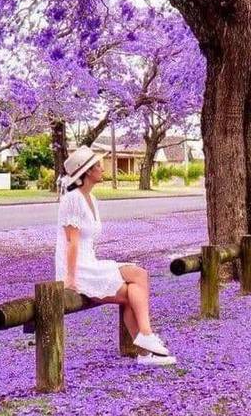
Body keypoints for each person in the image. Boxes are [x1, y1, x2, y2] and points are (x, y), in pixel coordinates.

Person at [56, 146, 176, 366]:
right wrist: (70, 279)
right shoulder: (72, 199)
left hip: (89, 262)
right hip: (78, 269)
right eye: (99, 165)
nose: (103, 168)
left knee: (134, 287)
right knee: (137, 278)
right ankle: (147, 339)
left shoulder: (91, 198)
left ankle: (145, 352)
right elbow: (71, 242)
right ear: (88, 172)